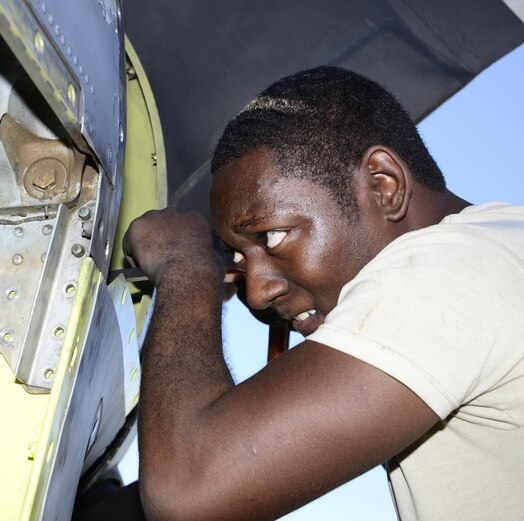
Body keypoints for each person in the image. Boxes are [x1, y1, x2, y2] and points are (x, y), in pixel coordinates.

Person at [122, 66, 524, 521]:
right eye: (238, 258)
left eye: (272, 236)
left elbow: (186, 491)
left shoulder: (453, 269)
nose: (256, 293)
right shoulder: (501, 246)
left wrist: (184, 265)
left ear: (383, 185)